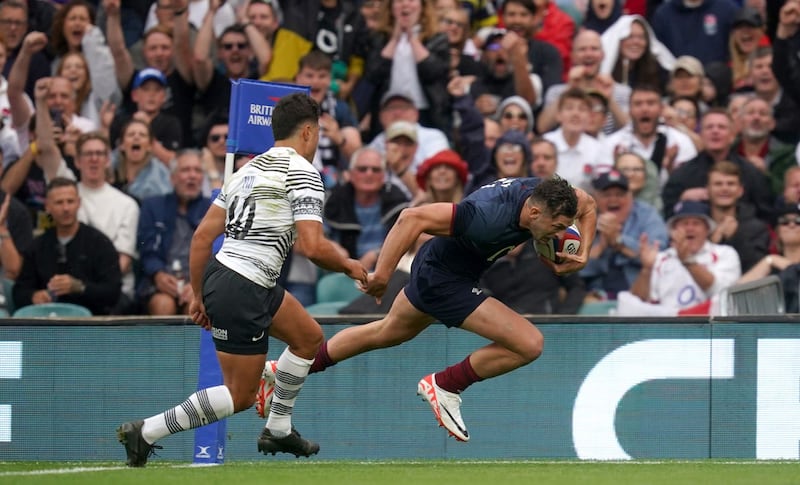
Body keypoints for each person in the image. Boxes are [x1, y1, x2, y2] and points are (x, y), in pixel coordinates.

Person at [117, 93, 367, 466]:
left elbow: (203, 238)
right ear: (309, 132)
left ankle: (278, 429)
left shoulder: (245, 171)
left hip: (237, 277)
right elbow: (313, 247)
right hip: (244, 285)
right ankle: (146, 431)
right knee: (240, 395)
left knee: (309, 338)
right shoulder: (302, 171)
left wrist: (199, 295)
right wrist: (351, 266)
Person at [256, 176, 598, 442]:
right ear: (535, 212)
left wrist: (582, 253)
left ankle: (285, 370)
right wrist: (382, 277)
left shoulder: (547, 195)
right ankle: (446, 385)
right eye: (556, 228)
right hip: (445, 280)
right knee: (529, 343)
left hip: (440, 267)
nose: (558, 235)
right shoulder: (486, 217)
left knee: (384, 332)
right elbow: (411, 218)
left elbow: (589, 204)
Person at [13, 177, 122, 315]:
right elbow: (19, 292)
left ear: (79, 203)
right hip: (47, 324)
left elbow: (113, 293)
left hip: (91, 325)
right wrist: (34, 296)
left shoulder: (100, 243)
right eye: (59, 202)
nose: (66, 208)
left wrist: (80, 287)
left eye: (70, 201)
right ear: (47, 206)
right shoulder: (37, 246)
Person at [617, 200, 741, 316]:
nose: (689, 228)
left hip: (709, 329)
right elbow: (637, 302)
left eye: (696, 223)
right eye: (684, 223)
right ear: (673, 230)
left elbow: (721, 294)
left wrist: (687, 260)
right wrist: (646, 269)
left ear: (707, 229)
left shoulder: (725, 254)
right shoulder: (661, 258)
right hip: (667, 330)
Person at [136, 150, 210, 316]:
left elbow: (217, 253)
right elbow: (146, 251)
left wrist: (198, 285)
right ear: (172, 177)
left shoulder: (212, 208)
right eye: (185, 170)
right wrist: (158, 274)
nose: (192, 176)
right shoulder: (152, 206)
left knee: (194, 305)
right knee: (163, 305)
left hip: (200, 283)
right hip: (160, 280)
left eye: (197, 171)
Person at [580, 169, 668, 300]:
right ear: (595, 199)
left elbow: (659, 256)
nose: (613, 199)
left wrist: (619, 241)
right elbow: (570, 271)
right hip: (595, 295)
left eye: (620, 194)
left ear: (631, 196)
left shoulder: (647, 215)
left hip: (639, 292)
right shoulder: (582, 219)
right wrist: (601, 248)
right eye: (606, 194)